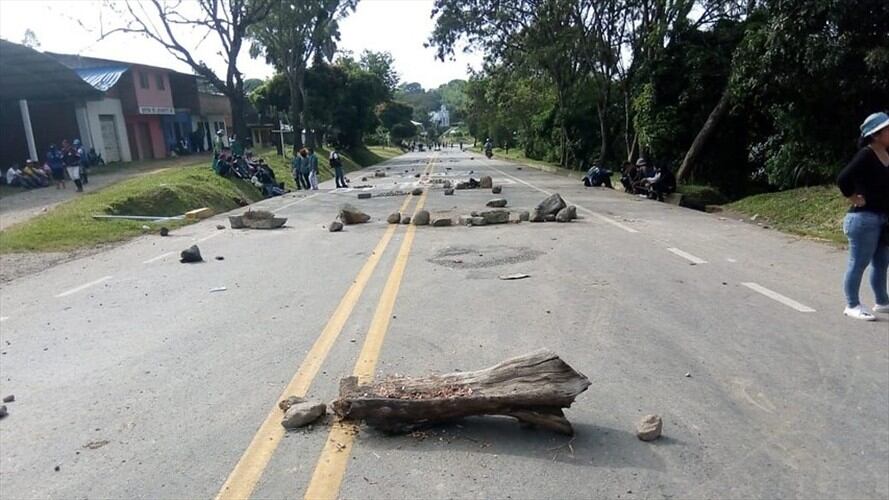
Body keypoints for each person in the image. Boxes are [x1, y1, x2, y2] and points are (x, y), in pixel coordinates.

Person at [836, 111, 889, 321]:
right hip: (863, 219)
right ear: (876, 134)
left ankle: (882, 301)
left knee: (882, 262)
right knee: (859, 262)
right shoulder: (866, 154)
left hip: (882, 219)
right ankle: (852, 304)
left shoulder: (886, 154)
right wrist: (852, 196)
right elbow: (843, 178)